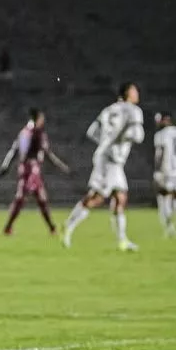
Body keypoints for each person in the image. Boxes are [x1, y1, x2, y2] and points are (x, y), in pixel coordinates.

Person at [61, 82, 145, 252]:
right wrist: (122, 139)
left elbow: (92, 131)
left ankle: (122, 241)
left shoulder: (108, 109)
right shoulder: (133, 110)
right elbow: (138, 136)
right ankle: (68, 226)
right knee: (96, 198)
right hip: (111, 160)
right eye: (134, 90)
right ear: (128, 93)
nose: (137, 93)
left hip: (108, 157)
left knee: (120, 197)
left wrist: (106, 142)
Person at [0, 108, 70, 235]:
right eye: (42, 118)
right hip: (32, 169)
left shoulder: (23, 132)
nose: (43, 121)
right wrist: (60, 165)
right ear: (37, 119)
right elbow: (47, 153)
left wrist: (6, 165)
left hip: (25, 168)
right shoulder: (37, 133)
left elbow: (14, 150)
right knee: (22, 197)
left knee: (40, 198)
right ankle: (8, 227)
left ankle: (52, 228)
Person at [153, 111, 176, 238]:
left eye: (159, 120)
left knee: (163, 198)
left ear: (166, 120)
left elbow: (160, 153)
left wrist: (158, 171)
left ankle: (169, 228)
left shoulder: (160, 134)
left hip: (166, 171)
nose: (158, 123)